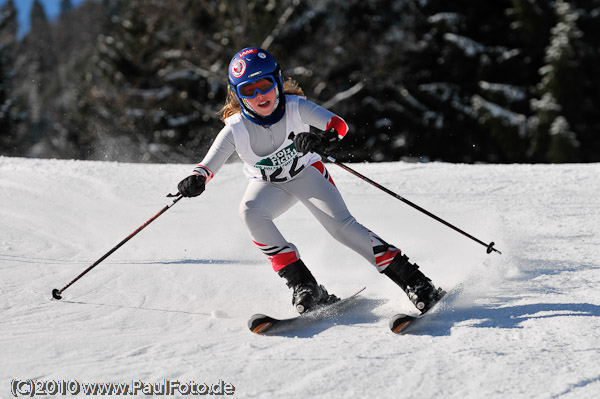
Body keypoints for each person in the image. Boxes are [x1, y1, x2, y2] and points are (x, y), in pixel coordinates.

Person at [177, 47, 443, 314]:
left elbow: (338, 125)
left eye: (265, 85)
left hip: (307, 175)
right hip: (270, 185)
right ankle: (303, 285)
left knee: (343, 228)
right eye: (248, 90)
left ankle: (416, 281)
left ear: (277, 81)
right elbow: (206, 166)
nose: (259, 95)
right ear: (237, 94)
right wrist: (195, 180)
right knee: (250, 212)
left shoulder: (296, 108)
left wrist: (321, 139)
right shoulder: (235, 128)